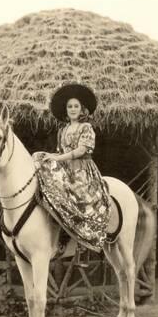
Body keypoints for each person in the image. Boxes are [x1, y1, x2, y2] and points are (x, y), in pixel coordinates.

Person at [33, 83, 111, 252]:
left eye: (76, 106)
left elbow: (82, 150)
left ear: (83, 109)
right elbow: (60, 151)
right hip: (65, 168)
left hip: (81, 170)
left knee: (75, 195)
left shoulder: (86, 127)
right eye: (70, 106)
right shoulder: (64, 129)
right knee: (38, 157)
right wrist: (52, 157)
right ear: (66, 110)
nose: (73, 109)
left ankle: (79, 234)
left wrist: (58, 157)